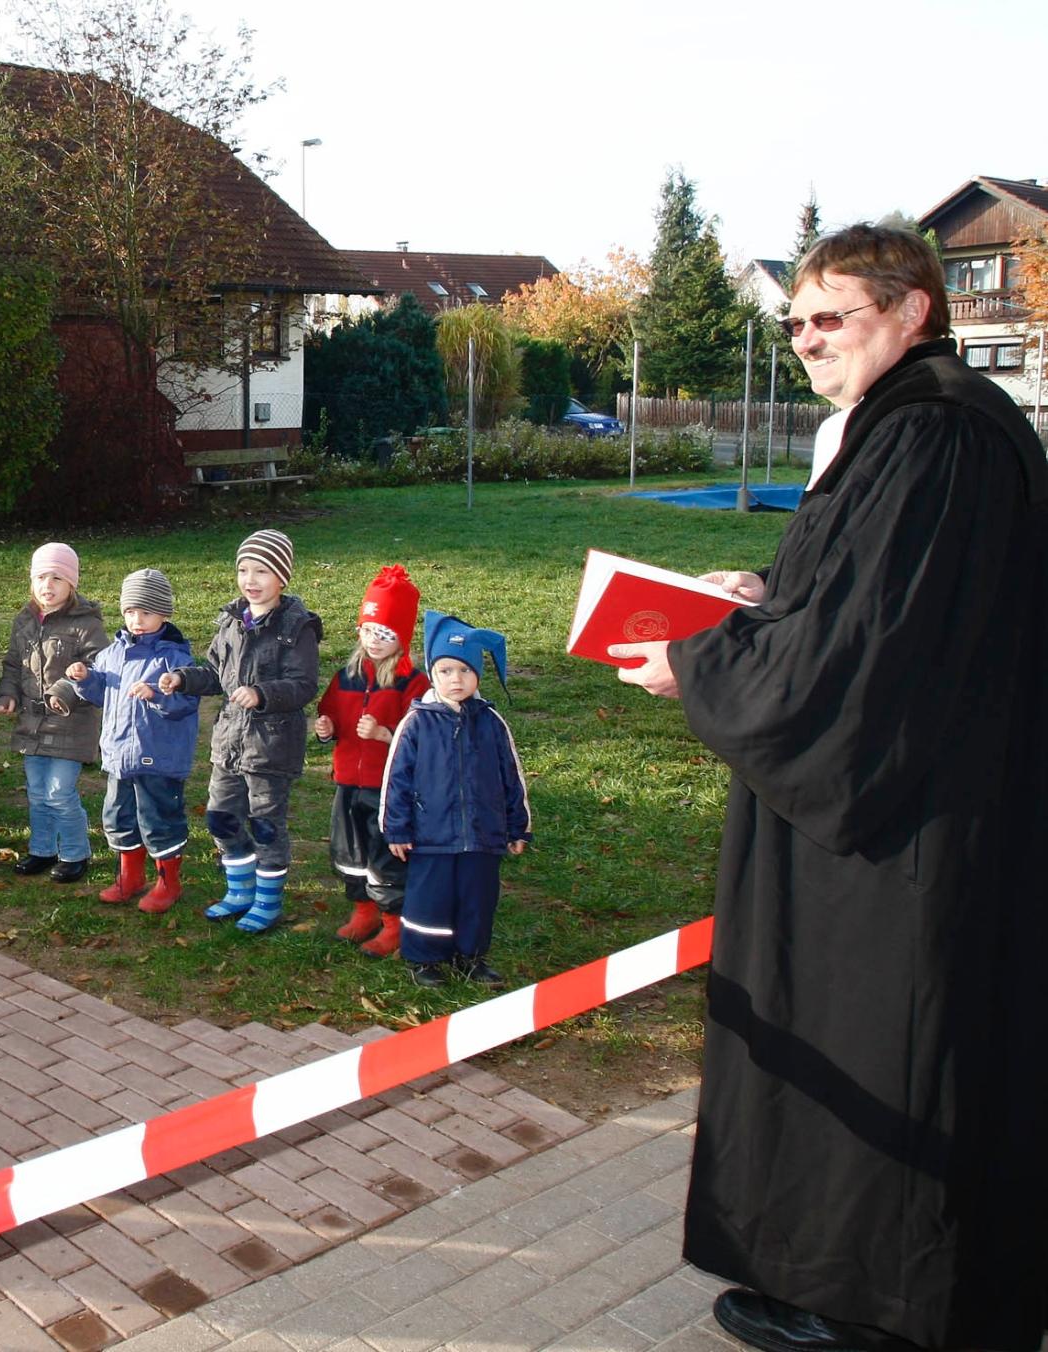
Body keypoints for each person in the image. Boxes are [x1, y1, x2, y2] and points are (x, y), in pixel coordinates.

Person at [610, 224, 1048, 1352]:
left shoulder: (932, 438)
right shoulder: (907, 427)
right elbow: (861, 603)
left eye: (831, 315)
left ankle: (881, 1310)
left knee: (886, 1056)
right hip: (916, 808)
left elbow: (859, 659)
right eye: (795, 319)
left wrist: (698, 659)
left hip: (898, 837)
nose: (807, 338)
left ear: (911, 312)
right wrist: (765, 592)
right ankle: (838, 1282)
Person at [157, 529, 321, 934]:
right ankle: (239, 889)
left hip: (271, 746)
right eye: (244, 569)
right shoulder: (232, 620)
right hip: (229, 743)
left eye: (262, 571)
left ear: (282, 577)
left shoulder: (296, 627)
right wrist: (182, 678)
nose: (251, 579)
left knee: (265, 823)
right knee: (221, 817)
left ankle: (268, 901)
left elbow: (303, 686)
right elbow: (216, 674)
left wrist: (262, 693)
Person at [380, 612, 528, 988]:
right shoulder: (416, 723)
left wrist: (517, 827)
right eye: (445, 671)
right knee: (429, 898)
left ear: (477, 674)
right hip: (431, 835)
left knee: (477, 900)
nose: (455, 680)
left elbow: (512, 776)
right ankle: (424, 959)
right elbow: (395, 779)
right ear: (433, 674)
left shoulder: (492, 722)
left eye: (464, 671)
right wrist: (396, 828)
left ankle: (471, 956)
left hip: (483, 835)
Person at [59, 568, 198, 912]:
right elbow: (102, 695)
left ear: (164, 613)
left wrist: (156, 693)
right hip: (120, 754)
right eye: (130, 612)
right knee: (119, 815)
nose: (136, 620)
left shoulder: (175, 658)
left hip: (158, 756)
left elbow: (185, 702)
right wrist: (84, 678)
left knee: (159, 818)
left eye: (146, 612)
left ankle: (168, 882)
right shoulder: (112, 653)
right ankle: (130, 876)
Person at [315, 565, 431, 959]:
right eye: (369, 631)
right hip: (348, 779)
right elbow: (328, 710)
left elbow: (421, 732)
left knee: (385, 853)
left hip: (388, 785)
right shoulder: (346, 675)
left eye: (386, 634)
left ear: (401, 638)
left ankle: (393, 923)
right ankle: (363, 910)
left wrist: (385, 734)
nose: (375, 641)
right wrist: (326, 727)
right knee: (350, 850)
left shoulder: (412, 681)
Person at [0, 542, 108, 880]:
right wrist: (7, 692)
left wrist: (66, 689)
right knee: (36, 793)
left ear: (72, 584)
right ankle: (42, 850)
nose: (48, 586)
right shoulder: (25, 620)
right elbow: (14, 664)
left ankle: (75, 854)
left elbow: (98, 668)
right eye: (41, 577)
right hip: (32, 724)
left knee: (59, 792)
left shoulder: (86, 624)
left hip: (70, 724)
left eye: (57, 578)